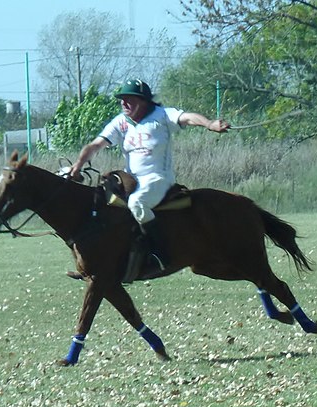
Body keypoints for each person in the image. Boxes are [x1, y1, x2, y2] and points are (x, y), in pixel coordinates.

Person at [69, 78, 230, 271]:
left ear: (144, 101)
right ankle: (101, 262)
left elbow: (188, 117)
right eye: (122, 99)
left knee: (137, 203)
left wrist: (209, 123)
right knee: (100, 201)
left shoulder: (161, 115)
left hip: (158, 179)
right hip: (131, 180)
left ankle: (160, 253)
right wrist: (78, 165)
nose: (124, 103)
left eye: (129, 99)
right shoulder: (121, 122)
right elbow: (95, 145)